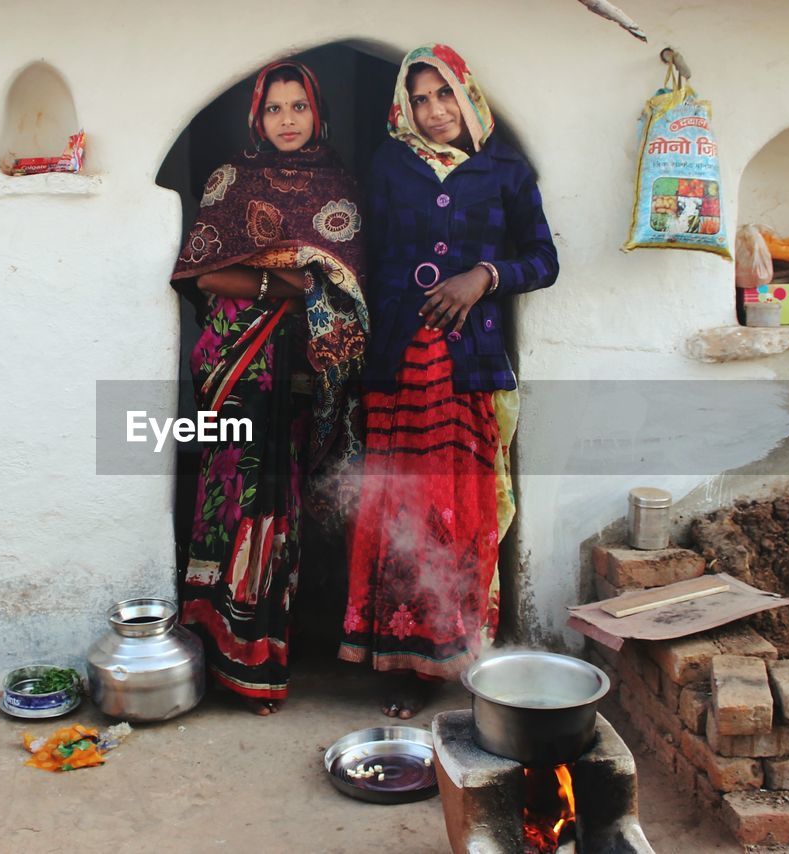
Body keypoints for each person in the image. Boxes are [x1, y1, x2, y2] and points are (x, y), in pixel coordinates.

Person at [339, 44, 558, 718]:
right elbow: (366, 256)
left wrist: (484, 277)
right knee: (399, 510)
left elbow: (543, 259)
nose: (435, 111)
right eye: (421, 98)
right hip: (400, 364)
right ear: (404, 107)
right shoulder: (389, 166)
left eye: (444, 96)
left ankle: (456, 650)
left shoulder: (504, 170)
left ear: (468, 96)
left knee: (458, 512)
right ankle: (404, 662)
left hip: (467, 368)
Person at [171, 61, 367, 715]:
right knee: (232, 501)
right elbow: (205, 276)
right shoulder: (230, 180)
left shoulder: (337, 185)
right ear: (256, 116)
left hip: (305, 374)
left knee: (287, 509)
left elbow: (345, 286)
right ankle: (216, 653)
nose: (286, 120)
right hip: (237, 372)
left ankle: (266, 660)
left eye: (298, 108)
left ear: (317, 113)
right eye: (274, 109)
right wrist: (285, 280)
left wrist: (272, 272)